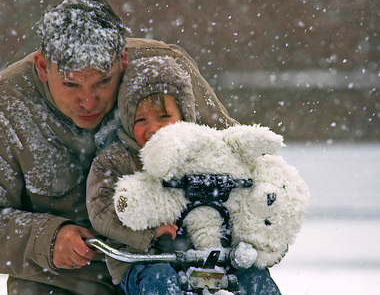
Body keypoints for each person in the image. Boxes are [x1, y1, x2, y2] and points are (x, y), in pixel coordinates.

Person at [0, 0, 236, 295]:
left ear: (123, 59)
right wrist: (46, 239)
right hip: (63, 280)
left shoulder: (166, 76)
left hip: (176, 264)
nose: (88, 101)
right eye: (71, 85)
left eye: (103, 82)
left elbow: (236, 162)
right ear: (42, 66)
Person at [86, 56, 282, 294]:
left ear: (184, 115)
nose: (153, 129)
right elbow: (101, 209)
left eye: (164, 117)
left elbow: (248, 194)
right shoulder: (115, 161)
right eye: (140, 120)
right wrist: (146, 234)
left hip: (210, 258)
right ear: (127, 121)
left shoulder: (207, 153)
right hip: (143, 262)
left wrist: (262, 236)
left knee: (254, 278)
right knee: (160, 279)